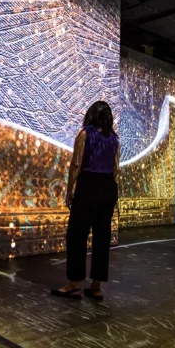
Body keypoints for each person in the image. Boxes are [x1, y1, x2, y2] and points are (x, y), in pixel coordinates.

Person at [52, 101, 120, 301]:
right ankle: (96, 285)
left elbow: (75, 165)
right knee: (102, 237)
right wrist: (111, 191)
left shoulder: (84, 135)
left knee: (77, 235)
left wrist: (70, 189)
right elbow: (116, 168)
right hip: (108, 187)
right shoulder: (114, 139)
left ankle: (74, 284)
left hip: (88, 185)